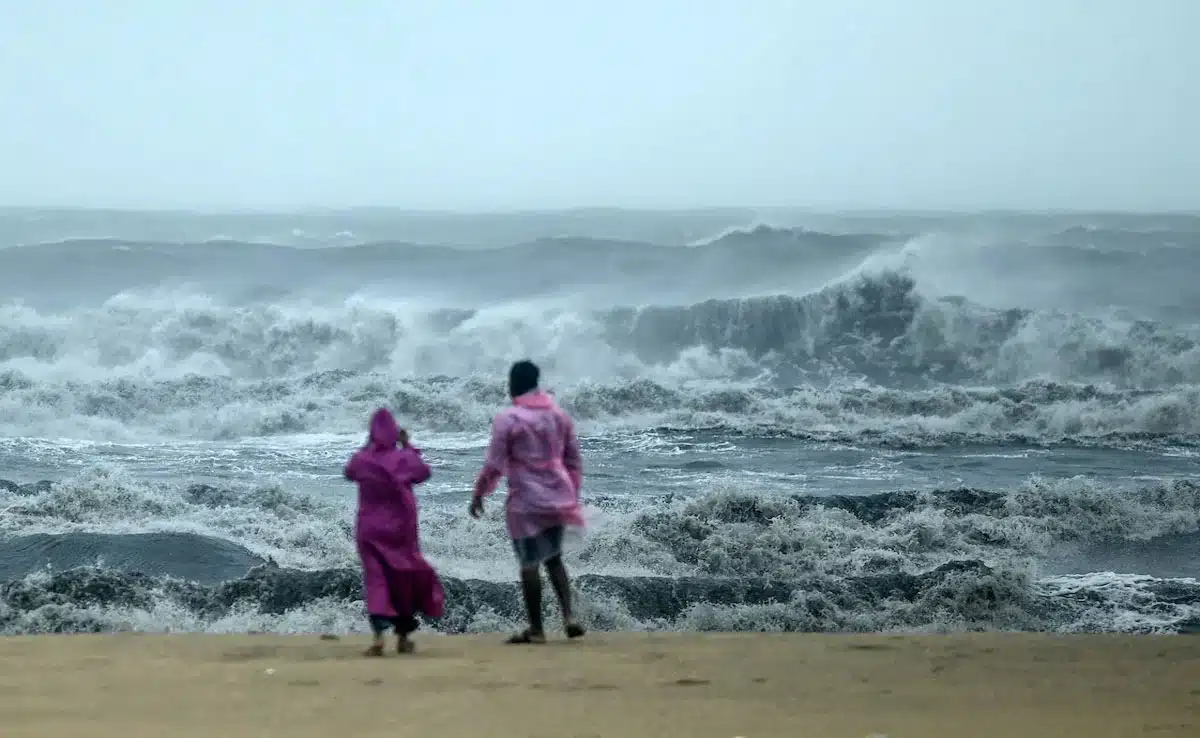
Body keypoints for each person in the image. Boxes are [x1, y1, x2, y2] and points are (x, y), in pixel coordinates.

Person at [471, 359, 587, 644]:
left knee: (529, 562)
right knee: (554, 559)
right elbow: (573, 461)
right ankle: (569, 617)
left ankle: (536, 629)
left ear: (512, 385)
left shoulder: (508, 419)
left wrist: (479, 493)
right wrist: (571, 493)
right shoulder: (559, 416)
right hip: (558, 495)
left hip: (525, 500)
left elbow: (494, 465)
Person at [344, 408, 445, 656]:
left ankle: (378, 638)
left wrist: (368, 447)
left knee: (376, 580)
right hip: (401, 530)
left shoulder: (362, 460)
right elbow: (424, 472)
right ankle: (402, 638)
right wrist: (407, 444)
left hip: (369, 530)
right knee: (403, 579)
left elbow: (349, 472)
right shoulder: (404, 459)